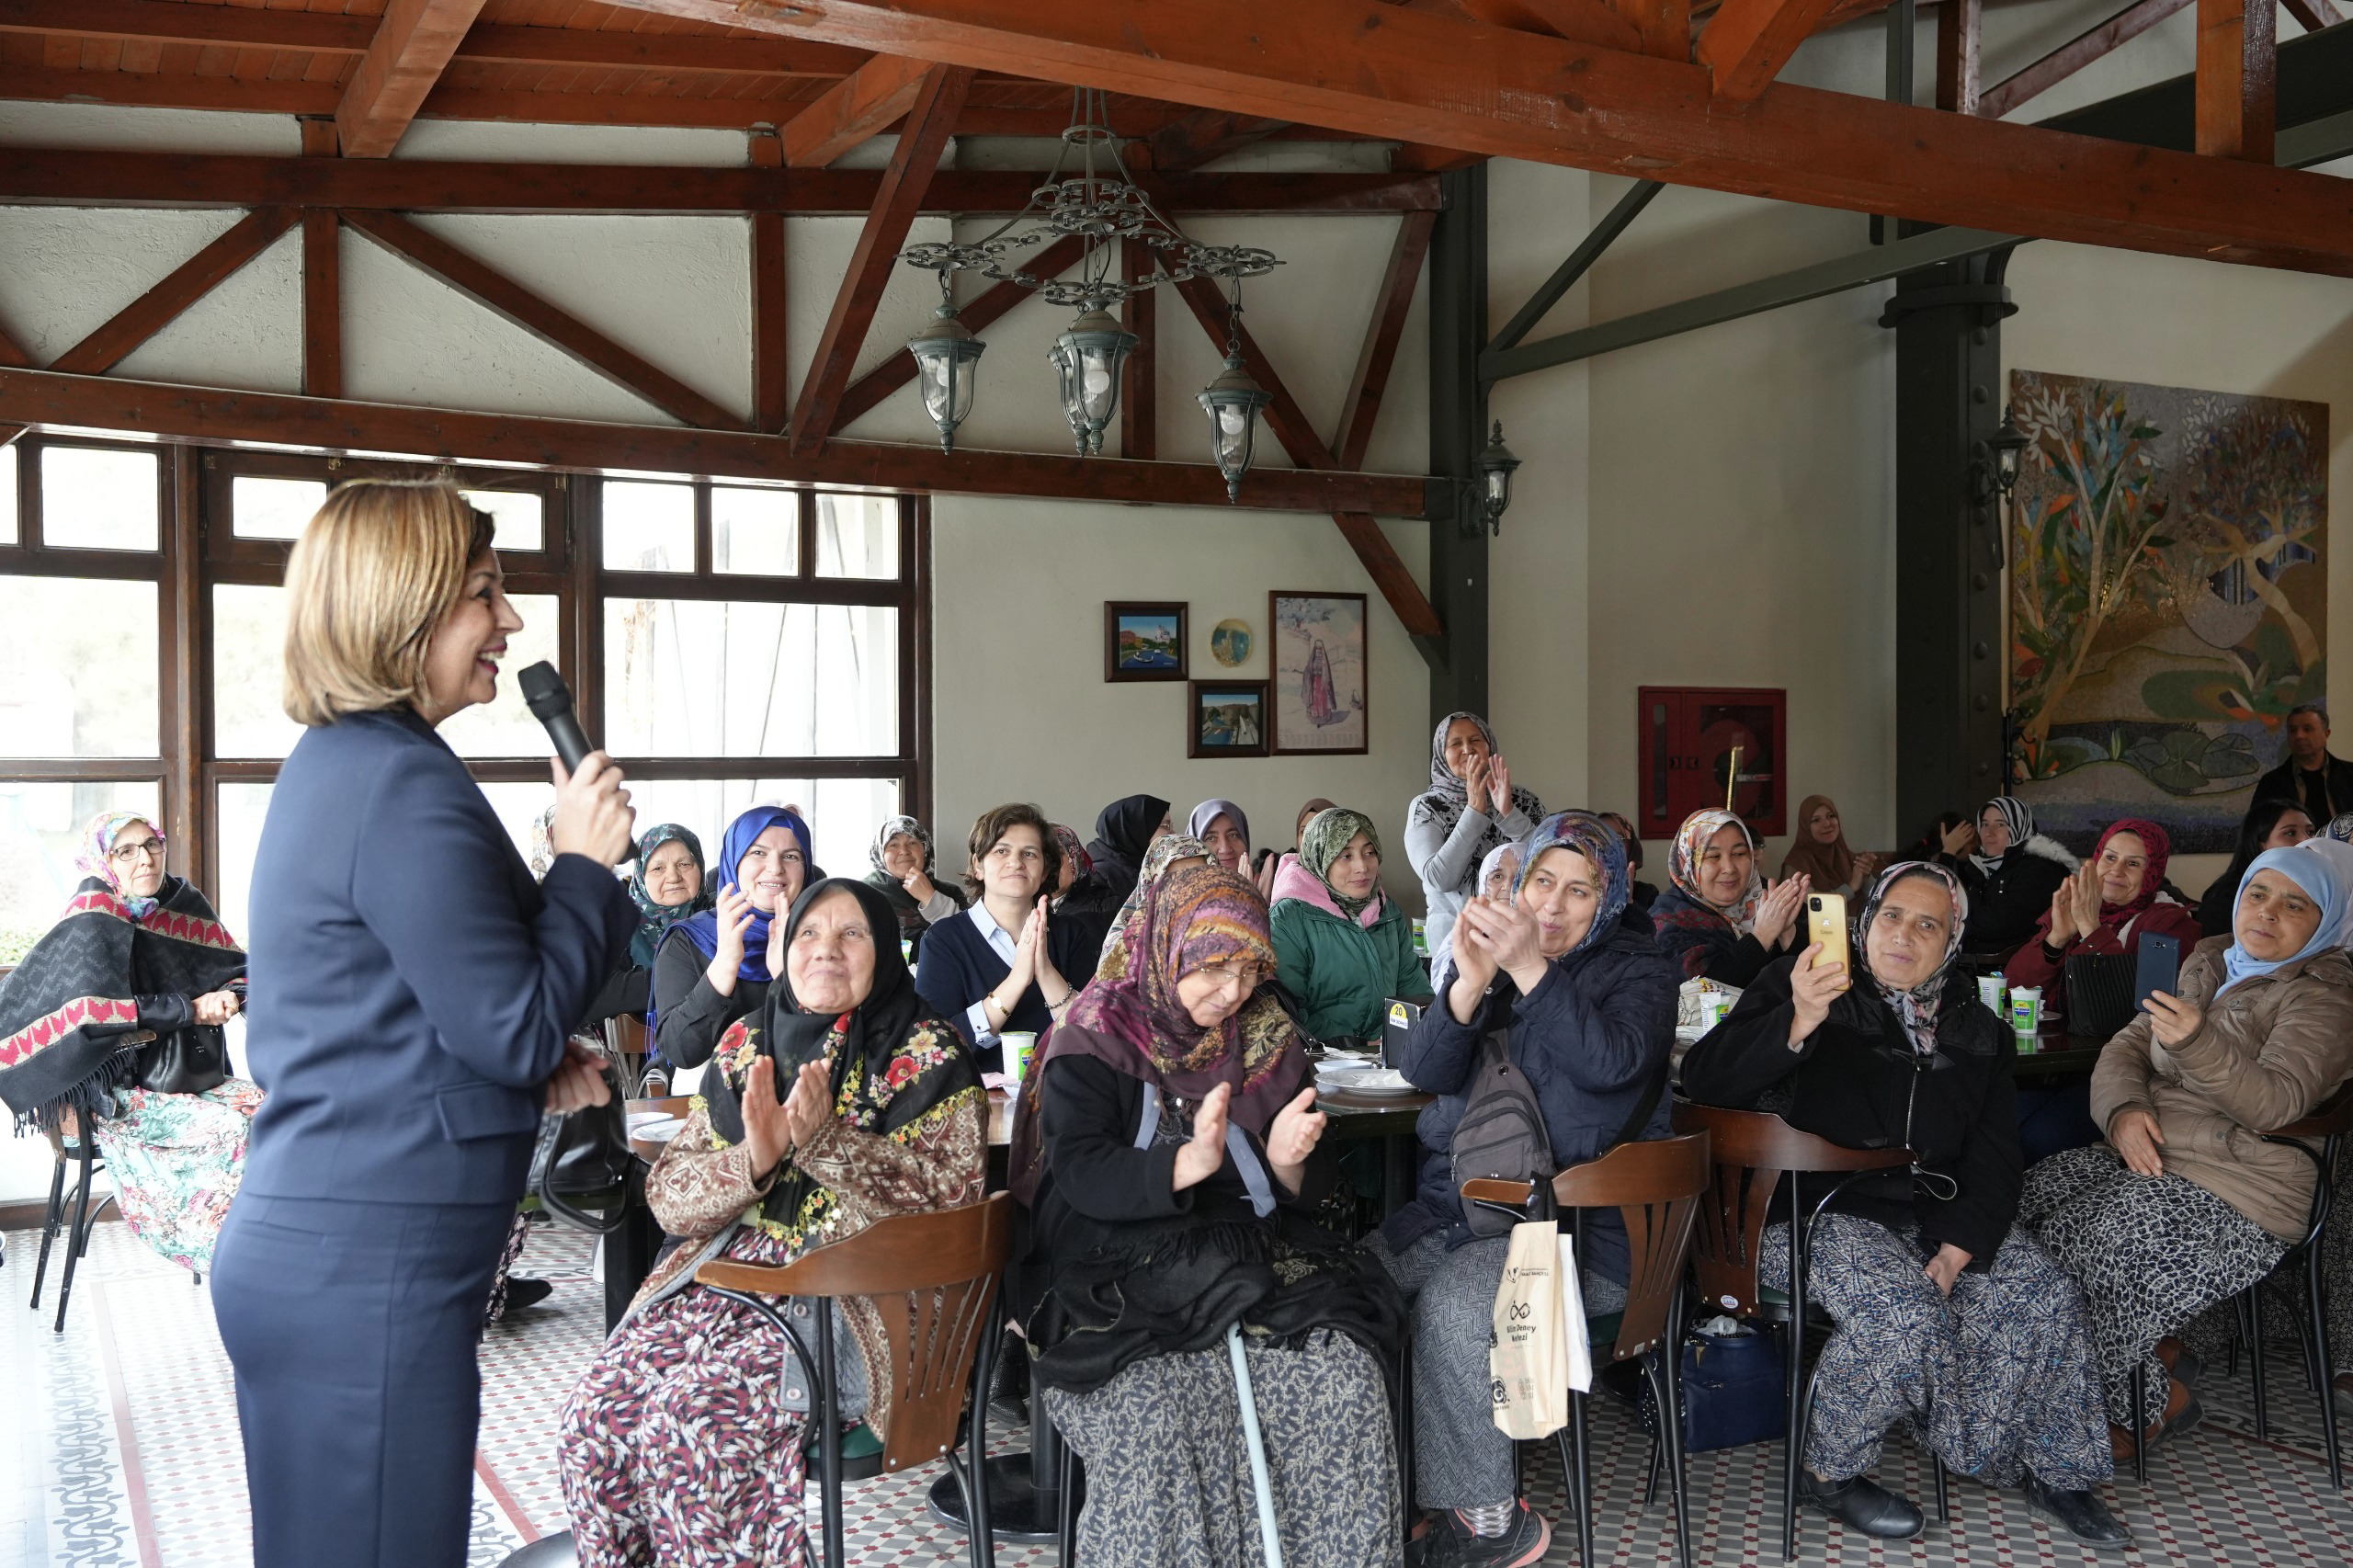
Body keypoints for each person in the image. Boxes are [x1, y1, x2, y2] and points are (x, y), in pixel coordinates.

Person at [210, 480, 634, 1568]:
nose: (511, 621)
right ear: (404, 609)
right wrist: (583, 863)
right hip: (368, 1275)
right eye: (484, 593)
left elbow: (412, 1009)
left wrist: (524, 1061)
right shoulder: (398, 781)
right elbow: (513, 1025)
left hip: (338, 1256)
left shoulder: (356, 766)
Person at [1679, 863, 2127, 1549]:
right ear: (1864, 922)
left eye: (1928, 924)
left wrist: (1958, 1247)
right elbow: (1707, 1078)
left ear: (1952, 941)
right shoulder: (1805, 983)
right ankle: (1828, 1471)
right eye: (1891, 915)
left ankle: (2056, 1468)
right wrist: (1798, 1018)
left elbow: (1996, 1158)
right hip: (1812, 1211)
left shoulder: (1980, 1030)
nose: (1905, 935)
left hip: (1931, 1218)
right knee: (1903, 1312)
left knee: (2044, 1292)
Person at [559, 879, 987, 1566]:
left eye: (853, 934)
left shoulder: (930, 1052)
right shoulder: (744, 1042)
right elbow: (669, 1197)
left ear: (885, 953)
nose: (827, 951)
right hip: (723, 1282)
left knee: (694, 1423)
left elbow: (954, 1202)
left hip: (856, 1296)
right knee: (595, 1419)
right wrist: (755, 1161)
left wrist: (828, 1144)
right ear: (786, 950)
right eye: (810, 934)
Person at [1009, 859, 1404, 1568]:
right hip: (1111, 1269)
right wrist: (1182, 1166)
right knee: (1163, 1413)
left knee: (1341, 1378)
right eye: (1214, 967)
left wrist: (1286, 1161)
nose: (1234, 992)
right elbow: (1082, 1174)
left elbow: (1307, 1188)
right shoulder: (1093, 1033)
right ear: (1167, 946)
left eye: (1250, 971)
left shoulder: (1264, 1036)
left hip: (1241, 1256)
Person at [1370, 812, 1677, 1565]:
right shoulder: (1494, 964)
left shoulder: (1643, 969)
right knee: (1353, 1288)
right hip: (1464, 1216)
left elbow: (1610, 1067)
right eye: (1543, 881)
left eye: (1579, 891)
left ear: (1612, 896)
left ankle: (1489, 1520)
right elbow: (1425, 1073)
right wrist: (1470, 986)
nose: (1553, 905)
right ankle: (1396, 1492)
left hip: (1580, 1239)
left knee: (1450, 1307)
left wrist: (1532, 969)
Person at [2021, 845, 2353, 1456]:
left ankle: (2136, 1406)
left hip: (2245, 1185)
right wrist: (2123, 1112)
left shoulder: (2324, 996)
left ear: (2325, 919)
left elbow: (2275, 1103)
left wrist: (2198, 1041)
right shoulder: (2211, 960)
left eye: (2294, 905)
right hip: (2154, 1154)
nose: (2268, 913)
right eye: (2259, 894)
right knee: (2025, 1201)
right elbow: (2125, 1046)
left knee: (2091, 1239)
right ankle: (2147, 1379)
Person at [0, 812, 256, 1272]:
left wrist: (231, 997)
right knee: (227, 1131)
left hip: (189, 1071)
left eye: (153, 844)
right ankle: (218, 1254)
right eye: (126, 850)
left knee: (274, 1114)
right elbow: (89, 1013)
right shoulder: (91, 918)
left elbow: (238, 967)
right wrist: (189, 1008)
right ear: (104, 861)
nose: (146, 859)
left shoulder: (182, 903)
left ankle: (271, 1241)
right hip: (119, 1092)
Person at [914, 802, 1097, 1072]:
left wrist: (1044, 971)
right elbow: (933, 1047)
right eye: (1001, 851)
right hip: (978, 1098)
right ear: (978, 866)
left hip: (1062, 1095)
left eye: (1030, 853)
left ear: (1045, 871)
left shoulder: (1071, 933)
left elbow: (1093, 1034)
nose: (1016, 862)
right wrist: (1017, 980)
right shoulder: (943, 940)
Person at [652, 804, 813, 1072]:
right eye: (758, 853)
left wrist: (790, 978)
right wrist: (725, 962)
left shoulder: (828, 936)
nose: (775, 868)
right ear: (733, 860)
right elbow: (682, 1052)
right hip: (714, 1102)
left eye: (791, 856)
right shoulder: (689, 940)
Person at [1267, 808, 1433, 1044]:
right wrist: (1358, 1044)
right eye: (1345, 856)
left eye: (1369, 853)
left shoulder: (1387, 911)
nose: (1362, 867)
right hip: (1321, 1059)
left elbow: (1413, 990)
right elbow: (1288, 1013)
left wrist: (1409, 1038)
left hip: (1388, 1055)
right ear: (1321, 858)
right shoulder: (1291, 917)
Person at [2002, 818, 2203, 991]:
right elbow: (2013, 989)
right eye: (2110, 857)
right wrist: (2055, 940)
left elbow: (2139, 1003)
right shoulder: (2075, 906)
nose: (2116, 870)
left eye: (2133, 863)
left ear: (2152, 873)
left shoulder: (2171, 925)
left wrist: (2091, 929)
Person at [1405, 711, 1542, 960]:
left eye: (1476, 739)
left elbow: (1550, 862)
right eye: (1455, 743)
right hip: (1458, 946)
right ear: (1441, 753)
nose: (1467, 749)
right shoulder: (1427, 807)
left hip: (1524, 940)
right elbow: (1439, 879)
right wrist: (1474, 813)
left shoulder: (1522, 800)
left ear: (1489, 745)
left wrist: (1509, 813)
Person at [1650, 808, 1807, 986]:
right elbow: (1703, 992)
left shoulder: (1766, 902)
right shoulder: (1667, 922)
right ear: (1688, 864)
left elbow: (1816, 977)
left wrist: (1787, 932)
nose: (1729, 868)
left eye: (1739, 854)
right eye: (1713, 856)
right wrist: (1762, 935)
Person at [1940, 797, 2078, 960]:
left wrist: (1950, 916)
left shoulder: (2040, 869)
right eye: (1984, 824)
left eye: (2000, 824)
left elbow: (1994, 926)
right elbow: (1936, 899)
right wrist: (1948, 853)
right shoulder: (1985, 867)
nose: (1989, 832)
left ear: (2019, 826)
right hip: (1978, 967)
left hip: (2010, 974)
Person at [2195, 795, 2315, 940]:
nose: (2306, 840)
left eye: (2310, 832)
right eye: (2290, 833)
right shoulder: (2227, 897)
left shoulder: (2317, 890)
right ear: (2261, 843)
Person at [864, 813, 966, 966]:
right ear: (880, 853)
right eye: (893, 845)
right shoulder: (866, 893)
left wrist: (930, 898)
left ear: (925, 849)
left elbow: (971, 939)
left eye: (912, 843)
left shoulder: (950, 892)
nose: (904, 851)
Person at [1063, 793, 1172, 915]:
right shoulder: (1097, 879)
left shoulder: (1153, 868)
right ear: (1136, 830)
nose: (1173, 833)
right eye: (1165, 826)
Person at [2255, 702, 2353, 824]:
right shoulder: (2271, 783)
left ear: (2326, 734)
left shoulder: (2349, 775)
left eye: (2307, 729)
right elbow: (2257, 830)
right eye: (2293, 730)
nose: (2299, 736)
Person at [1779, 794, 1881, 897]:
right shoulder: (1797, 864)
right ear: (1806, 827)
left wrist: (1864, 874)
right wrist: (1851, 887)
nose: (1827, 824)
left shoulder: (1849, 857)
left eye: (1831, 816)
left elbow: (1878, 898)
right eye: (1816, 820)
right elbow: (1813, 907)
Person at [1597, 810, 1658, 915]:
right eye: (1601, 836)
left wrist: (1628, 903)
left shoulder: (1647, 894)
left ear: (1631, 846)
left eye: (1618, 838)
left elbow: (1648, 930)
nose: (1609, 843)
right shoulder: (1575, 887)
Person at [1188, 798, 1252, 876]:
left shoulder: (1264, 886)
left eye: (1233, 835)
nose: (1225, 849)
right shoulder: (1178, 887)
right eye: (1211, 838)